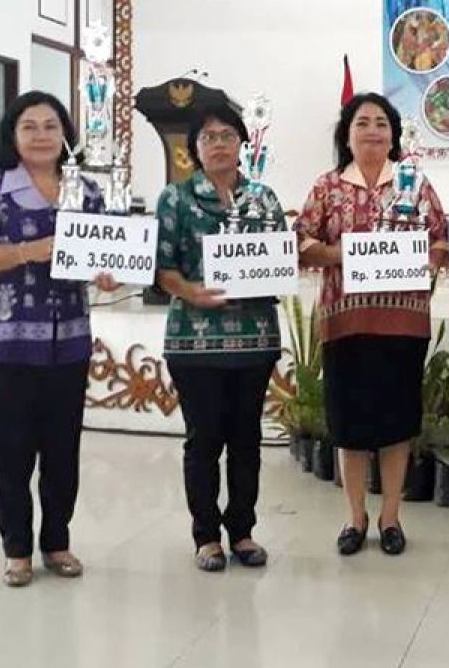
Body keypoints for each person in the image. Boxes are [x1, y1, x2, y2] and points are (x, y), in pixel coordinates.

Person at [0, 91, 118, 587]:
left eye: (51, 126)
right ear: (13, 135)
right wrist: (29, 250)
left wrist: (110, 271)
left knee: (62, 447)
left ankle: (57, 542)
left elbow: (110, 249)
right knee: (10, 448)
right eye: (30, 127)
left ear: (65, 134)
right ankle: (17, 548)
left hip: (68, 339)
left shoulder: (86, 192)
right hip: (7, 342)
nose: (42, 135)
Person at [295, 92, 448, 557]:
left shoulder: (414, 184)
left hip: (403, 323)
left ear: (394, 134)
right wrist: (347, 253)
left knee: (397, 423)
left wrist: (427, 259)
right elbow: (301, 243)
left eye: (382, 123)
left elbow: (441, 239)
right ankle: (355, 517)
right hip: (346, 323)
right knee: (350, 425)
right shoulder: (327, 186)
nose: (373, 131)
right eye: (363, 122)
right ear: (347, 133)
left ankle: (391, 517)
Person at [156, 103, 286, 573]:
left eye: (227, 135)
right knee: (204, 440)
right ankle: (206, 536)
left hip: (254, 341)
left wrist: (266, 278)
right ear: (194, 148)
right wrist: (191, 291)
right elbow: (162, 265)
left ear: (242, 144)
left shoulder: (264, 199)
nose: (217, 144)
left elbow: (277, 261)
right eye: (208, 137)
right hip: (194, 343)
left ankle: (244, 531)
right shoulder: (175, 198)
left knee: (246, 440)